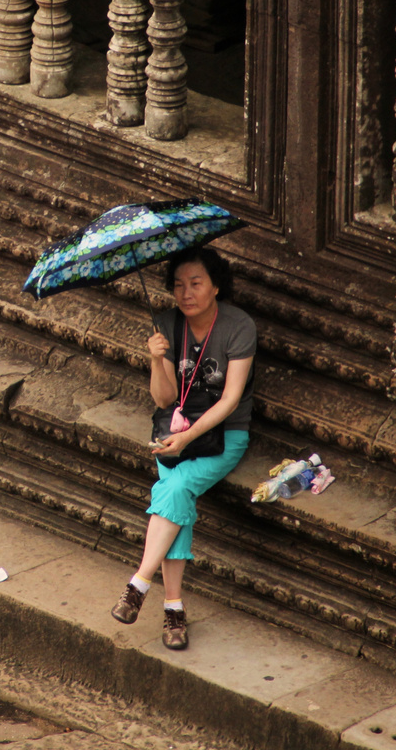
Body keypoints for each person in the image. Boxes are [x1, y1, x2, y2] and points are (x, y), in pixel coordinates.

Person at [110, 246, 254, 649]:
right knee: (178, 501)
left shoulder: (238, 327)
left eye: (196, 283)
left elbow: (230, 400)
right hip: (171, 430)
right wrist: (157, 361)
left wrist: (188, 438)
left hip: (222, 435)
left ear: (216, 286)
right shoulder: (167, 324)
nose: (187, 293)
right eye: (179, 285)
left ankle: (139, 583)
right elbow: (163, 399)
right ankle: (172, 608)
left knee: (172, 492)